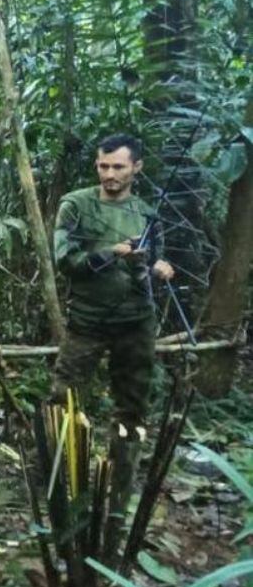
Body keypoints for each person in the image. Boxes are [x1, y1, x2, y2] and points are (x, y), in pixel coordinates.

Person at [51, 133, 174, 423]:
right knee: (62, 400)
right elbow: (65, 261)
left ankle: (122, 468)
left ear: (137, 167)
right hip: (87, 320)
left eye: (118, 167)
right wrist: (112, 253)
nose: (109, 174)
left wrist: (159, 269)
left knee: (132, 409)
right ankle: (55, 467)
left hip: (136, 322)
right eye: (103, 166)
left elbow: (152, 265)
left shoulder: (147, 214)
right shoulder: (76, 205)